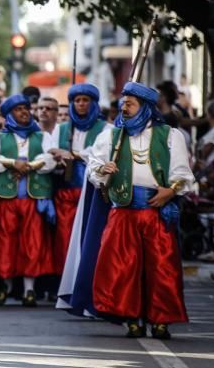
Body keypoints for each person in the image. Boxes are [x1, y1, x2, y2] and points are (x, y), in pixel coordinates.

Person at [88, 82, 193, 339]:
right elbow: (94, 167)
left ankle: (160, 321)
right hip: (123, 210)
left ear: (145, 107)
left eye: (130, 103)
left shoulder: (169, 135)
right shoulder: (111, 136)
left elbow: (182, 174)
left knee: (161, 268)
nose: (124, 107)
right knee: (123, 268)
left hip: (156, 211)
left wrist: (171, 191)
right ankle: (130, 317)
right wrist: (103, 170)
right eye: (123, 102)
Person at [0, 94, 57, 307]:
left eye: (26, 108)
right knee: (5, 243)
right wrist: (12, 163)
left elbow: (51, 159)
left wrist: (29, 166)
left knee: (32, 244)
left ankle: (29, 290)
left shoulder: (42, 136)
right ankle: (5, 287)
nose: (24, 112)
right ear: (8, 115)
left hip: (33, 200)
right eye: (18, 110)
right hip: (6, 199)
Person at [49, 84, 108, 277]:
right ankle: (63, 280)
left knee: (90, 237)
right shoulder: (61, 129)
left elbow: (99, 155)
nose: (81, 104)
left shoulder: (106, 129)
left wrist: (73, 154)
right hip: (66, 192)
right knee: (64, 237)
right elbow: (50, 153)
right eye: (77, 100)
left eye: (85, 100)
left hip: (93, 192)